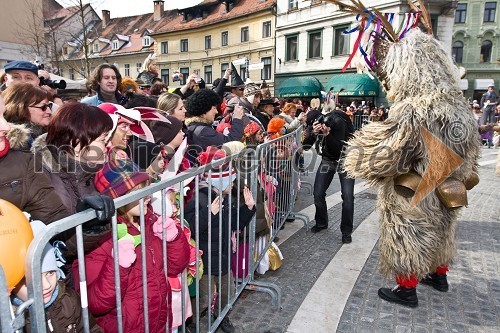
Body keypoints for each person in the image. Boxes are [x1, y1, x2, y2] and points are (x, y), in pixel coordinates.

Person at [337, 0, 481, 308]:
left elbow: (386, 153)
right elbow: (473, 152)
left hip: (414, 185)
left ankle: (406, 289)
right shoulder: (461, 108)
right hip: (451, 185)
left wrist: (360, 149)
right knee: (443, 229)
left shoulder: (414, 109)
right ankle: (439, 275)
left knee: (407, 231)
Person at [75, 158, 190, 333]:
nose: (147, 197)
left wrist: (173, 239)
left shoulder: (150, 220)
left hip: (159, 322)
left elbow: (176, 267)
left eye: (146, 189)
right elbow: (95, 303)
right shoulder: (101, 238)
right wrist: (117, 266)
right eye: (138, 192)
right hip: (127, 327)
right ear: (118, 198)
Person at [184, 147, 256, 333]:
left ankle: (221, 315)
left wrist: (248, 208)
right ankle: (190, 325)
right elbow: (190, 228)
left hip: (223, 256)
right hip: (206, 260)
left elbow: (234, 223)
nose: (233, 186)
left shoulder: (226, 198)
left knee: (227, 292)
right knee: (204, 298)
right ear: (220, 180)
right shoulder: (198, 199)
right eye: (230, 182)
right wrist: (208, 214)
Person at [12, 220, 103, 333]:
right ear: (13, 282)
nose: (46, 285)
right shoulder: (9, 321)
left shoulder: (69, 298)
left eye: (50, 273)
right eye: (32, 280)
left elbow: (91, 329)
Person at [0, 95, 68, 223]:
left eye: (3, 115)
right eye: (42, 107)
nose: (6, 127)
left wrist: (89, 226)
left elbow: (54, 222)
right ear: (21, 108)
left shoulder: (25, 163)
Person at [303, 105, 355, 244]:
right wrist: (313, 133)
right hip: (327, 159)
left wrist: (327, 135)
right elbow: (306, 146)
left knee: (348, 196)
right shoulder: (315, 123)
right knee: (318, 193)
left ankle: (346, 231)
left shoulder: (337, 121)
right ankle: (321, 222)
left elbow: (338, 149)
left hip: (346, 159)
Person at [184, 89, 245, 162]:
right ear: (205, 109)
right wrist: (237, 119)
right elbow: (232, 143)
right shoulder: (203, 132)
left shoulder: (195, 126)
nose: (216, 112)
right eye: (214, 108)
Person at [3, 82, 53, 149]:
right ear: (21, 108)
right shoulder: (17, 142)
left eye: (49, 106)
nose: (49, 111)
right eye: (43, 107)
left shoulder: (47, 133)